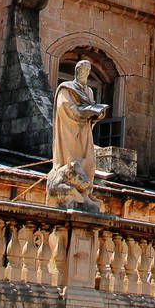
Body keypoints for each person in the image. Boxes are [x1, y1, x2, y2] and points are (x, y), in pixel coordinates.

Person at [48, 58, 108, 210]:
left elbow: (92, 108)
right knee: (71, 163)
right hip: (69, 130)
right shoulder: (66, 88)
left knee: (89, 160)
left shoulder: (89, 91)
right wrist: (82, 111)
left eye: (88, 71)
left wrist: (97, 114)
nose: (85, 74)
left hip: (84, 131)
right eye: (83, 71)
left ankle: (86, 192)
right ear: (77, 71)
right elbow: (64, 107)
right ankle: (71, 191)